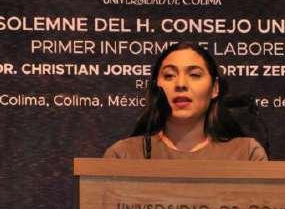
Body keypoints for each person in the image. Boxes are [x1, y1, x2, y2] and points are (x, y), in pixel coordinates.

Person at [103, 41, 267, 160]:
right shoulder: (123, 155)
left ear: (215, 88)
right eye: (169, 75)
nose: (180, 84)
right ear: (155, 87)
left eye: (194, 75)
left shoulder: (246, 154)